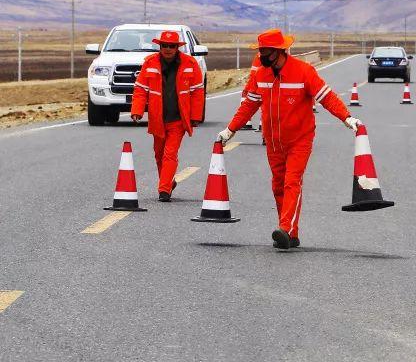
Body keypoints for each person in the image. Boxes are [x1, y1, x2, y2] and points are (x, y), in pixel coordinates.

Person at [217, 29, 360, 250]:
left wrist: (347, 118)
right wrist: (230, 130)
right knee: (277, 185)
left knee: (292, 181)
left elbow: (327, 97)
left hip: (299, 140)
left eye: (264, 51)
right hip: (273, 142)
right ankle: (291, 233)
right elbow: (249, 105)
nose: (261, 55)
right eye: (260, 50)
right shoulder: (261, 75)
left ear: (278, 51)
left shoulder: (304, 72)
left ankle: (284, 228)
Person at [130, 30, 205, 202]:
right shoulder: (149, 63)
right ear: (160, 46)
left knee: (170, 154)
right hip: (158, 119)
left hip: (179, 119)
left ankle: (164, 190)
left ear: (177, 47)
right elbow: (141, 89)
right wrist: (137, 110)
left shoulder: (190, 63)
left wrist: (195, 116)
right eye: (165, 45)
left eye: (172, 46)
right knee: (158, 153)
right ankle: (168, 182)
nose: (168, 49)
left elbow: (197, 92)